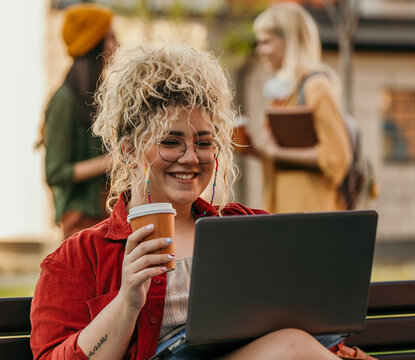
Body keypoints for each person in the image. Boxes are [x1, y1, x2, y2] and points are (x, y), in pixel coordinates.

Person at [30, 44, 375, 360]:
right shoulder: (77, 260)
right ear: (129, 151)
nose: (191, 158)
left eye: (204, 143)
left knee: (292, 344)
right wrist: (127, 302)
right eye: (170, 141)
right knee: (290, 346)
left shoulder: (251, 229)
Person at [252, 2, 352, 213]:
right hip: (286, 212)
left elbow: (336, 158)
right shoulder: (284, 93)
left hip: (313, 213)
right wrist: (254, 148)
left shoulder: (317, 87)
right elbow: (281, 153)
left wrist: (276, 152)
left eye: (266, 42)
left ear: (290, 42)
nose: (259, 50)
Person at [42, 3, 118, 239]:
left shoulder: (101, 95)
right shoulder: (63, 101)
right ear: (94, 43)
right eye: (111, 38)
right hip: (81, 222)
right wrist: (110, 161)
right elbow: (54, 172)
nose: (117, 46)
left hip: (107, 213)